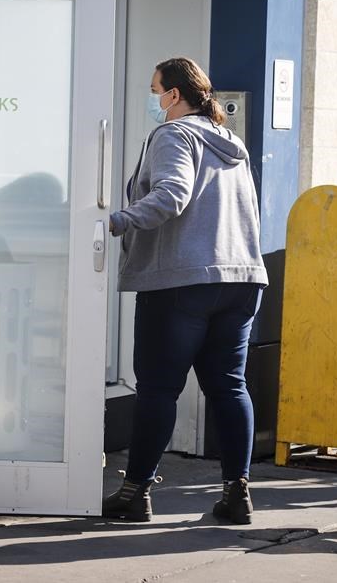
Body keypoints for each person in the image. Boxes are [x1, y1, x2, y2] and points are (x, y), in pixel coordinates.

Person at [102, 57, 268, 524]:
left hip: (182, 281)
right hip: (241, 279)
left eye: (156, 91)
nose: (154, 100)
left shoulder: (173, 134)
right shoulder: (230, 142)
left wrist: (114, 222)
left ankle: (135, 493)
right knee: (229, 387)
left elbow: (172, 194)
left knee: (158, 389)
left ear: (174, 94)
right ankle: (238, 495)